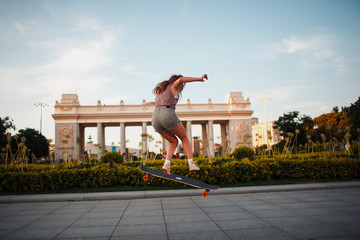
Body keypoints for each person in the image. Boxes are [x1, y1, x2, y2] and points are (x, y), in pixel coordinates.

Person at [152, 74, 208, 175]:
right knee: (184, 138)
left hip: (155, 118)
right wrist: (199, 79)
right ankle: (191, 164)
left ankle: (166, 165)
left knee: (173, 141)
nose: (182, 86)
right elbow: (181, 79)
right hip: (167, 114)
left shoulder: (161, 90)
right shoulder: (173, 86)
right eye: (183, 84)